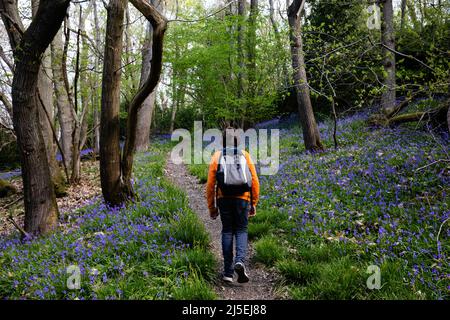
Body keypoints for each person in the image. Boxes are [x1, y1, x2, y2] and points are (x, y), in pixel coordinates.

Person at [206, 128, 259, 283]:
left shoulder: (217, 156)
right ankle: (240, 261)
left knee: (227, 230)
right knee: (242, 229)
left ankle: (228, 272)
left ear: (222, 141)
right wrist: (253, 202)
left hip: (224, 199)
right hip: (243, 199)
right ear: (238, 141)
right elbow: (254, 180)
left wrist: (212, 207)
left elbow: (210, 185)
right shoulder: (245, 155)